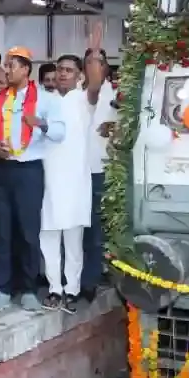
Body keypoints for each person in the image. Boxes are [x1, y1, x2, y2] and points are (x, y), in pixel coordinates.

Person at [0, 47, 66, 314]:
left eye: (11, 66)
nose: (6, 70)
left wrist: (41, 123)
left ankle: (29, 289)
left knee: (28, 232)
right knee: (1, 231)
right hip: (1, 169)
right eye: (6, 66)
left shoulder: (45, 99)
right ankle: (3, 289)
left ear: (25, 70)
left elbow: (59, 132)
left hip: (29, 170)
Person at [39, 28, 106, 314]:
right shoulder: (45, 98)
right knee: (49, 236)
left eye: (69, 70)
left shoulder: (83, 99)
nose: (63, 74)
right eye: (60, 69)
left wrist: (92, 54)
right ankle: (54, 289)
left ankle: (73, 289)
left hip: (76, 181)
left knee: (74, 241)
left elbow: (95, 85)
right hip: (47, 180)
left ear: (78, 75)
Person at [83, 46, 116, 301]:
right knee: (75, 230)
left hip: (101, 170)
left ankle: (90, 281)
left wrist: (115, 127)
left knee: (95, 232)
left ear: (105, 67)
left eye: (99, 63)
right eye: (90, 63)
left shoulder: (117, 95)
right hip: (74, 172)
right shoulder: (76, 94)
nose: (95, 67)